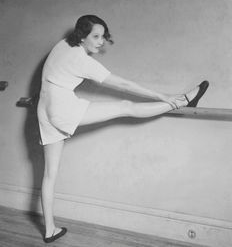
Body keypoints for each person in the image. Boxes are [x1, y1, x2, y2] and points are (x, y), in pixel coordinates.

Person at [37, 14, 209, 243]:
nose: (101, 42)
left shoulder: (61, 46)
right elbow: (124, 84)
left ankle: (50, 231)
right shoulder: (81, 60)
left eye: (103, 36)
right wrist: (162, 95)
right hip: (60, 109)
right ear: (82, 36)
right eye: (95, 36)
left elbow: (54, 75)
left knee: (49, 175)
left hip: (43, 108)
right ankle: (183, 101)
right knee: (125, 106)